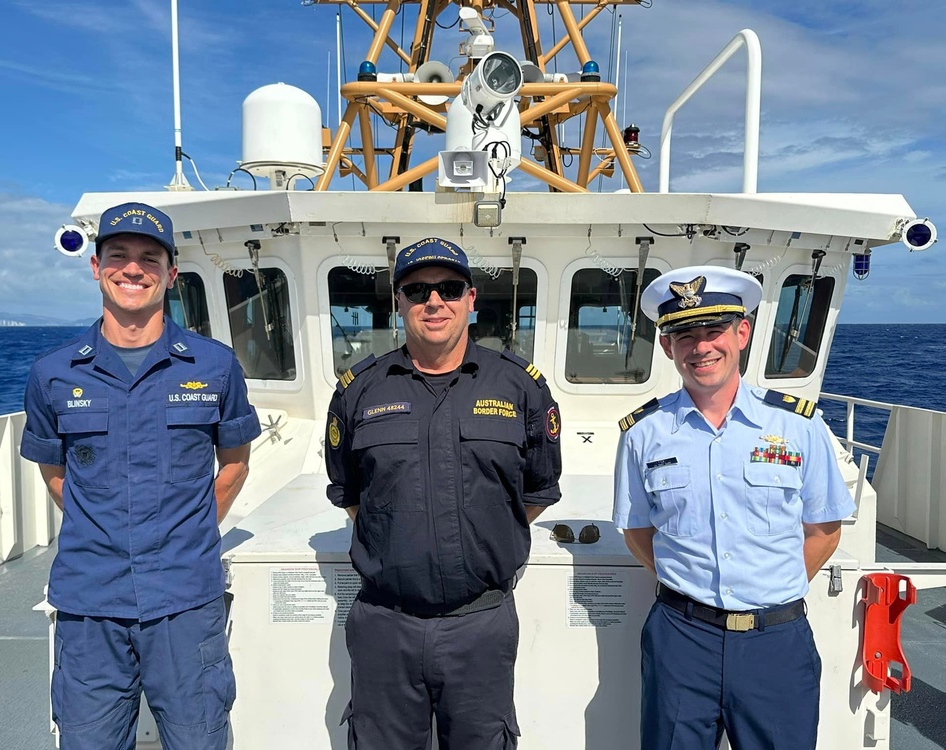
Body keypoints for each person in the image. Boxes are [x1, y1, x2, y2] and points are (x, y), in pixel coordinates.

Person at [20, 202, 261, 749]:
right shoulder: (53, 373)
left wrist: (185, 532)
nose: (134, 269)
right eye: (119, 256)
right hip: (89, 605)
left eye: (150, 258)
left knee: (199, 740)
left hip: (184, 601)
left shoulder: (215, 366)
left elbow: (235, 463)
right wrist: (107, 527)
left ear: (171, 272)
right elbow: (55, 473)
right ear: (97, 267)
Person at [325, 237, 562, 749]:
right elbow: (350, 493)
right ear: (399, 303)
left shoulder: (520, 386)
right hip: (385, 626)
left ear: (471, 299)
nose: (434, 302)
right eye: (417, 291)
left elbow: (537, 491)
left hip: (480, 624)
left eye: (449, 288)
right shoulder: (358, 390)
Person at [613, 266, 855, 750]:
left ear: (742, 332)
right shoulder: (643, 433)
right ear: (667, 347)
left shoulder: (799, 427)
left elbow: (825, 531)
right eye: (684, 335)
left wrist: (768, 588)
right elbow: (638, 531)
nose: (701, 347)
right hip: (680, 639)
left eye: (714, 331)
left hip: (776, 643)